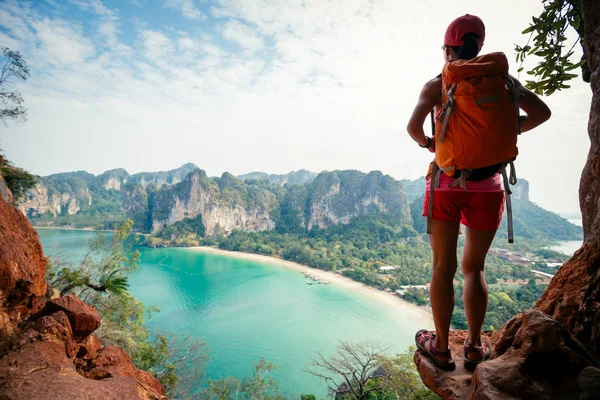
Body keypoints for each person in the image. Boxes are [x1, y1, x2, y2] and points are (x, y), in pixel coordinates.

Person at [406, 14, 551, 370]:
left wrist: (430, 144)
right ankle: (473, 346)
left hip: (445, 185)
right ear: (479, 46)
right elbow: (542, 113)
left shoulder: (438, 84)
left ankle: (441, 348)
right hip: (489, 187)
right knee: (475, 269)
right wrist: (510, 128)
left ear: (447, 47)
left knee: (442, 267)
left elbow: (412, 128)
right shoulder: (504, 83)